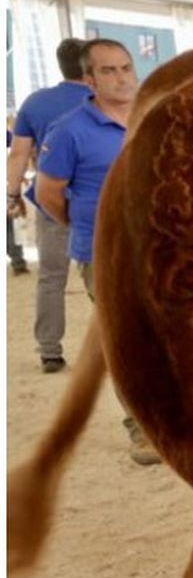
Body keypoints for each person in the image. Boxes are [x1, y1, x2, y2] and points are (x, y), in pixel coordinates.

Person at [33, 39, 161, 466]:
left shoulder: (153, 115)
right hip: (105, 254)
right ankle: (140, 431)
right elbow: (47, 193)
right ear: (88, 79)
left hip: (160, 244)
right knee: (127, 340)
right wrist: (89, 227)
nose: (122, 77)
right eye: (109, 71)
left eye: (126, 67)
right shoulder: (69, 130)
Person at [8, 38, 91, 373]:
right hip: (96, 201)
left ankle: (50, 351)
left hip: (50, 199)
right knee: (107, 277)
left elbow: (17, 155)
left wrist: (11, 195)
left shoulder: (35, 103)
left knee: (51, 278)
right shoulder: (102, 100)